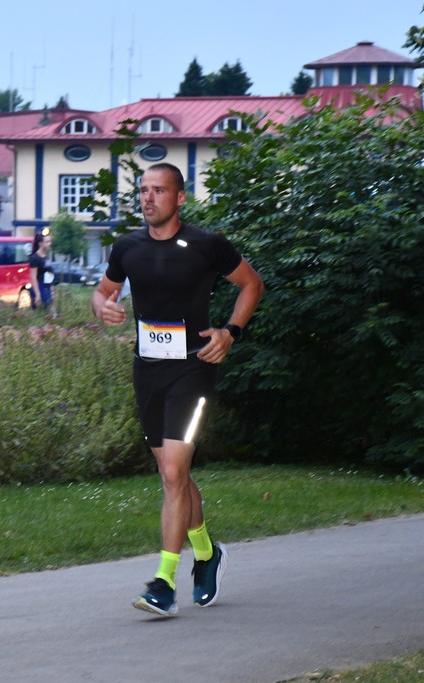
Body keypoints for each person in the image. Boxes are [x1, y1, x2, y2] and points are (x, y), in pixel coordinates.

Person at [91, 162, 264, 617]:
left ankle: (164, 582)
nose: (148, 198)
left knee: (172, 474)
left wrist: (230, 332)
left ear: (180, 197)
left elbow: (251, 285)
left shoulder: (207, 245)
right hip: (147, 370)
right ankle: (207, 553)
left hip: (193, 369)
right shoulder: (126, 246)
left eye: (158, 191)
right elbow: (103, 290)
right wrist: (102, 307)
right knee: (176, 474)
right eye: (143, 191)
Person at [28, 231, 54, 309]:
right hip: (40, 287)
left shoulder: (46, 257)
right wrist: (37, 294)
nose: (49, 244)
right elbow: (33, 277)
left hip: (47, 288)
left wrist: (52, 291)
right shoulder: (35, 258)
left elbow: (49, 273)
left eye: (50, 241)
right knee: (41, 312)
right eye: (47, 242)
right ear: (40, 243)